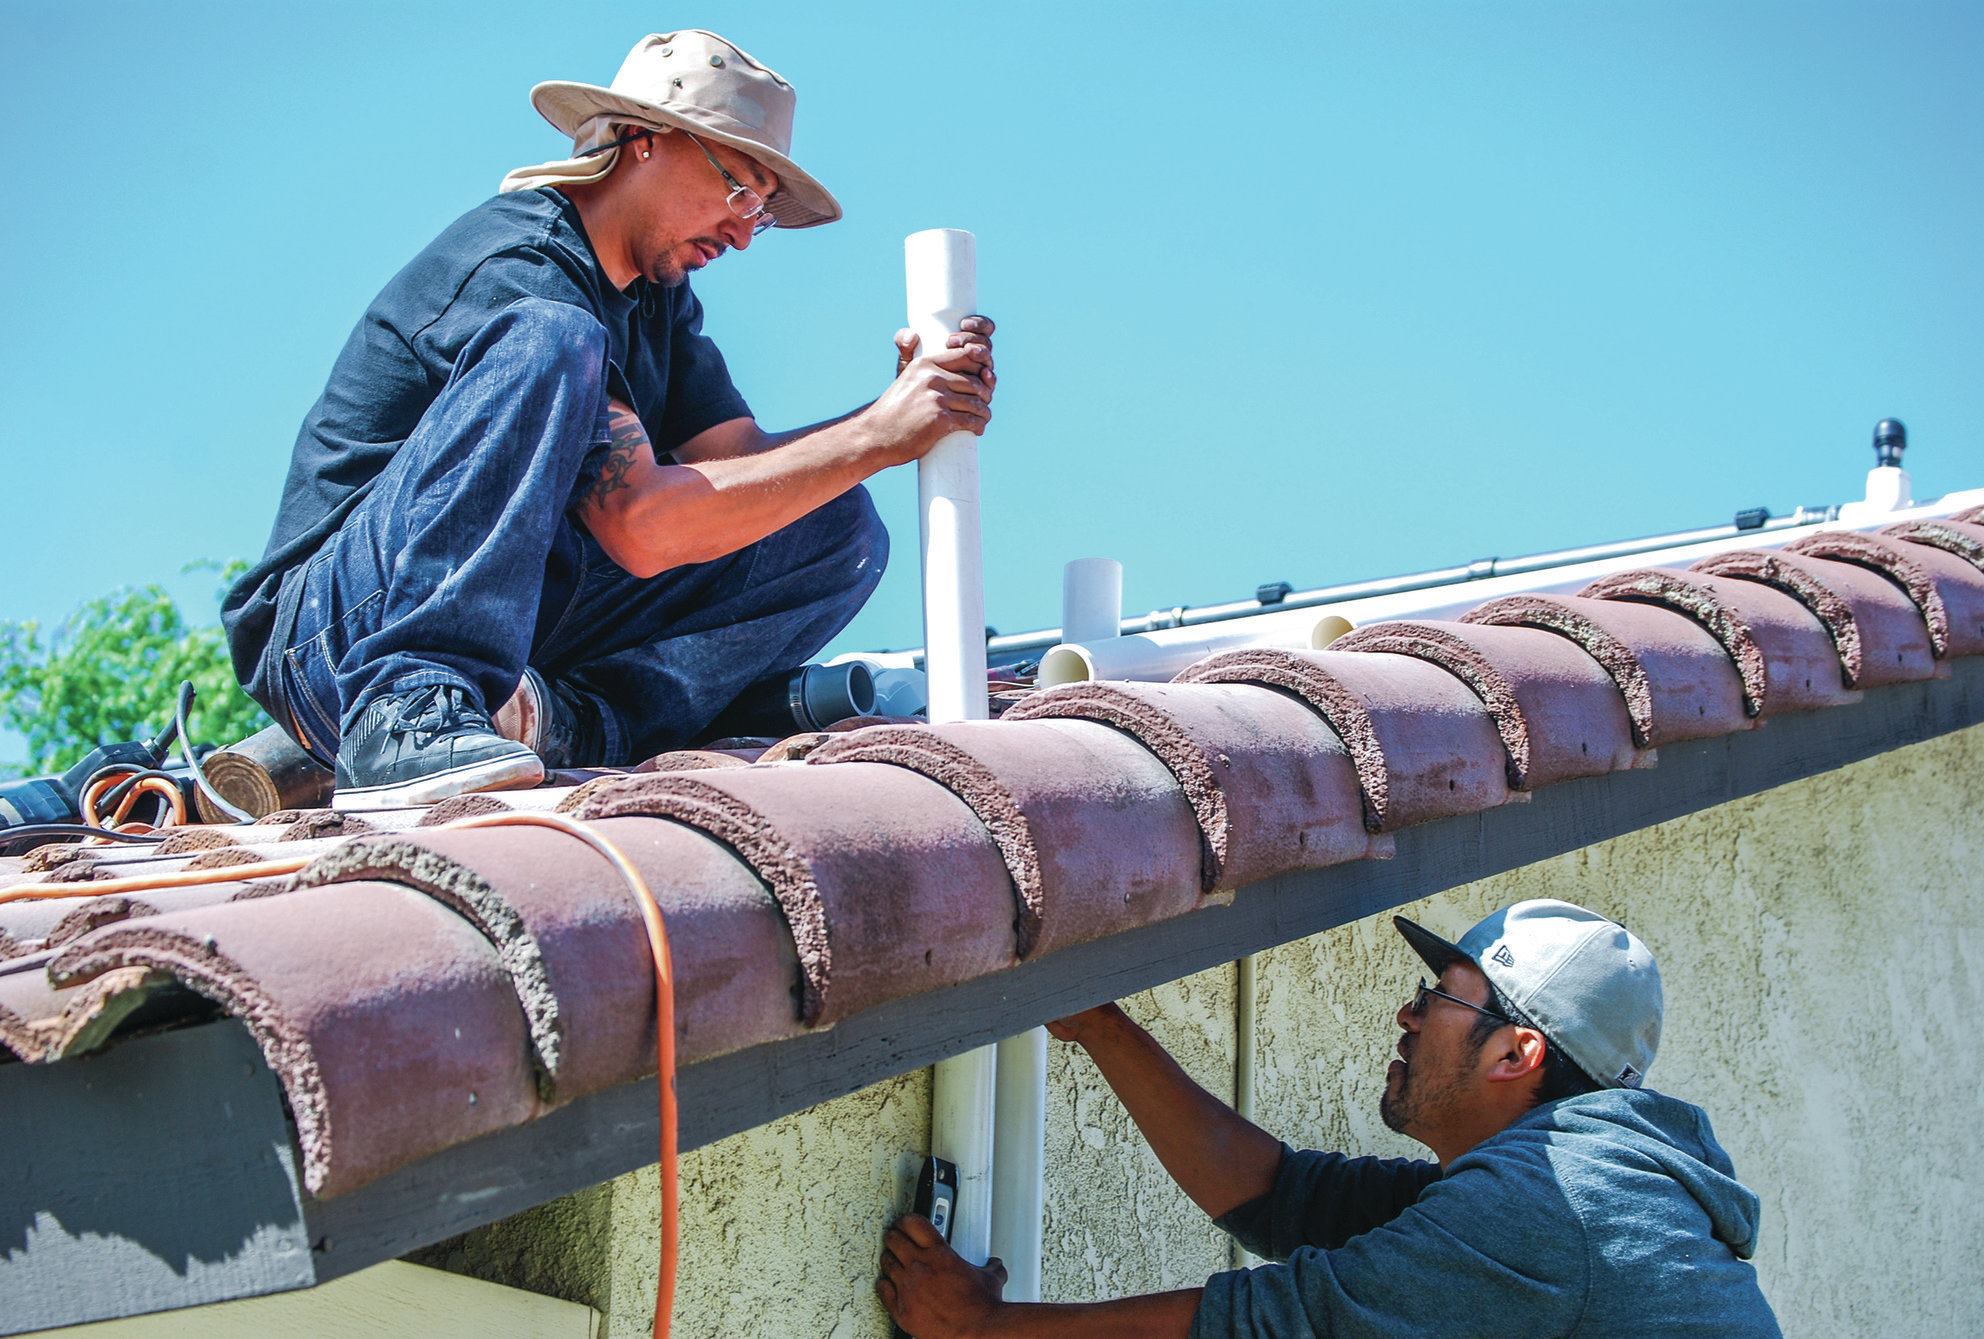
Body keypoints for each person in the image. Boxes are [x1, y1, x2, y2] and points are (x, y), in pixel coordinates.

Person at [221, 29, 996, 808]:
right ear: (641, 139)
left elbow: (743, 468)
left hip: (520, 623)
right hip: (335, 630)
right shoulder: (520, 266)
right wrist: (877, 435)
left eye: (760, 212)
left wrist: (896, 413)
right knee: (555, 338)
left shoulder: (659, 302)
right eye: (739, 189)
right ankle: (407, 706)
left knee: (835, 529)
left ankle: (569, 723)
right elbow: (642, 524)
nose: (741, 232)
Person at [879, 899, 1783, 1336]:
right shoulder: (1559, 1194)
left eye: (1438, 998)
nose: (1408, 1015)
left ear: (1516, 1054)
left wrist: (983, 1328)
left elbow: (1282, 1323)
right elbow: (1280, 1194)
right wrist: (1102, 1028)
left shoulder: (1550, 1209)